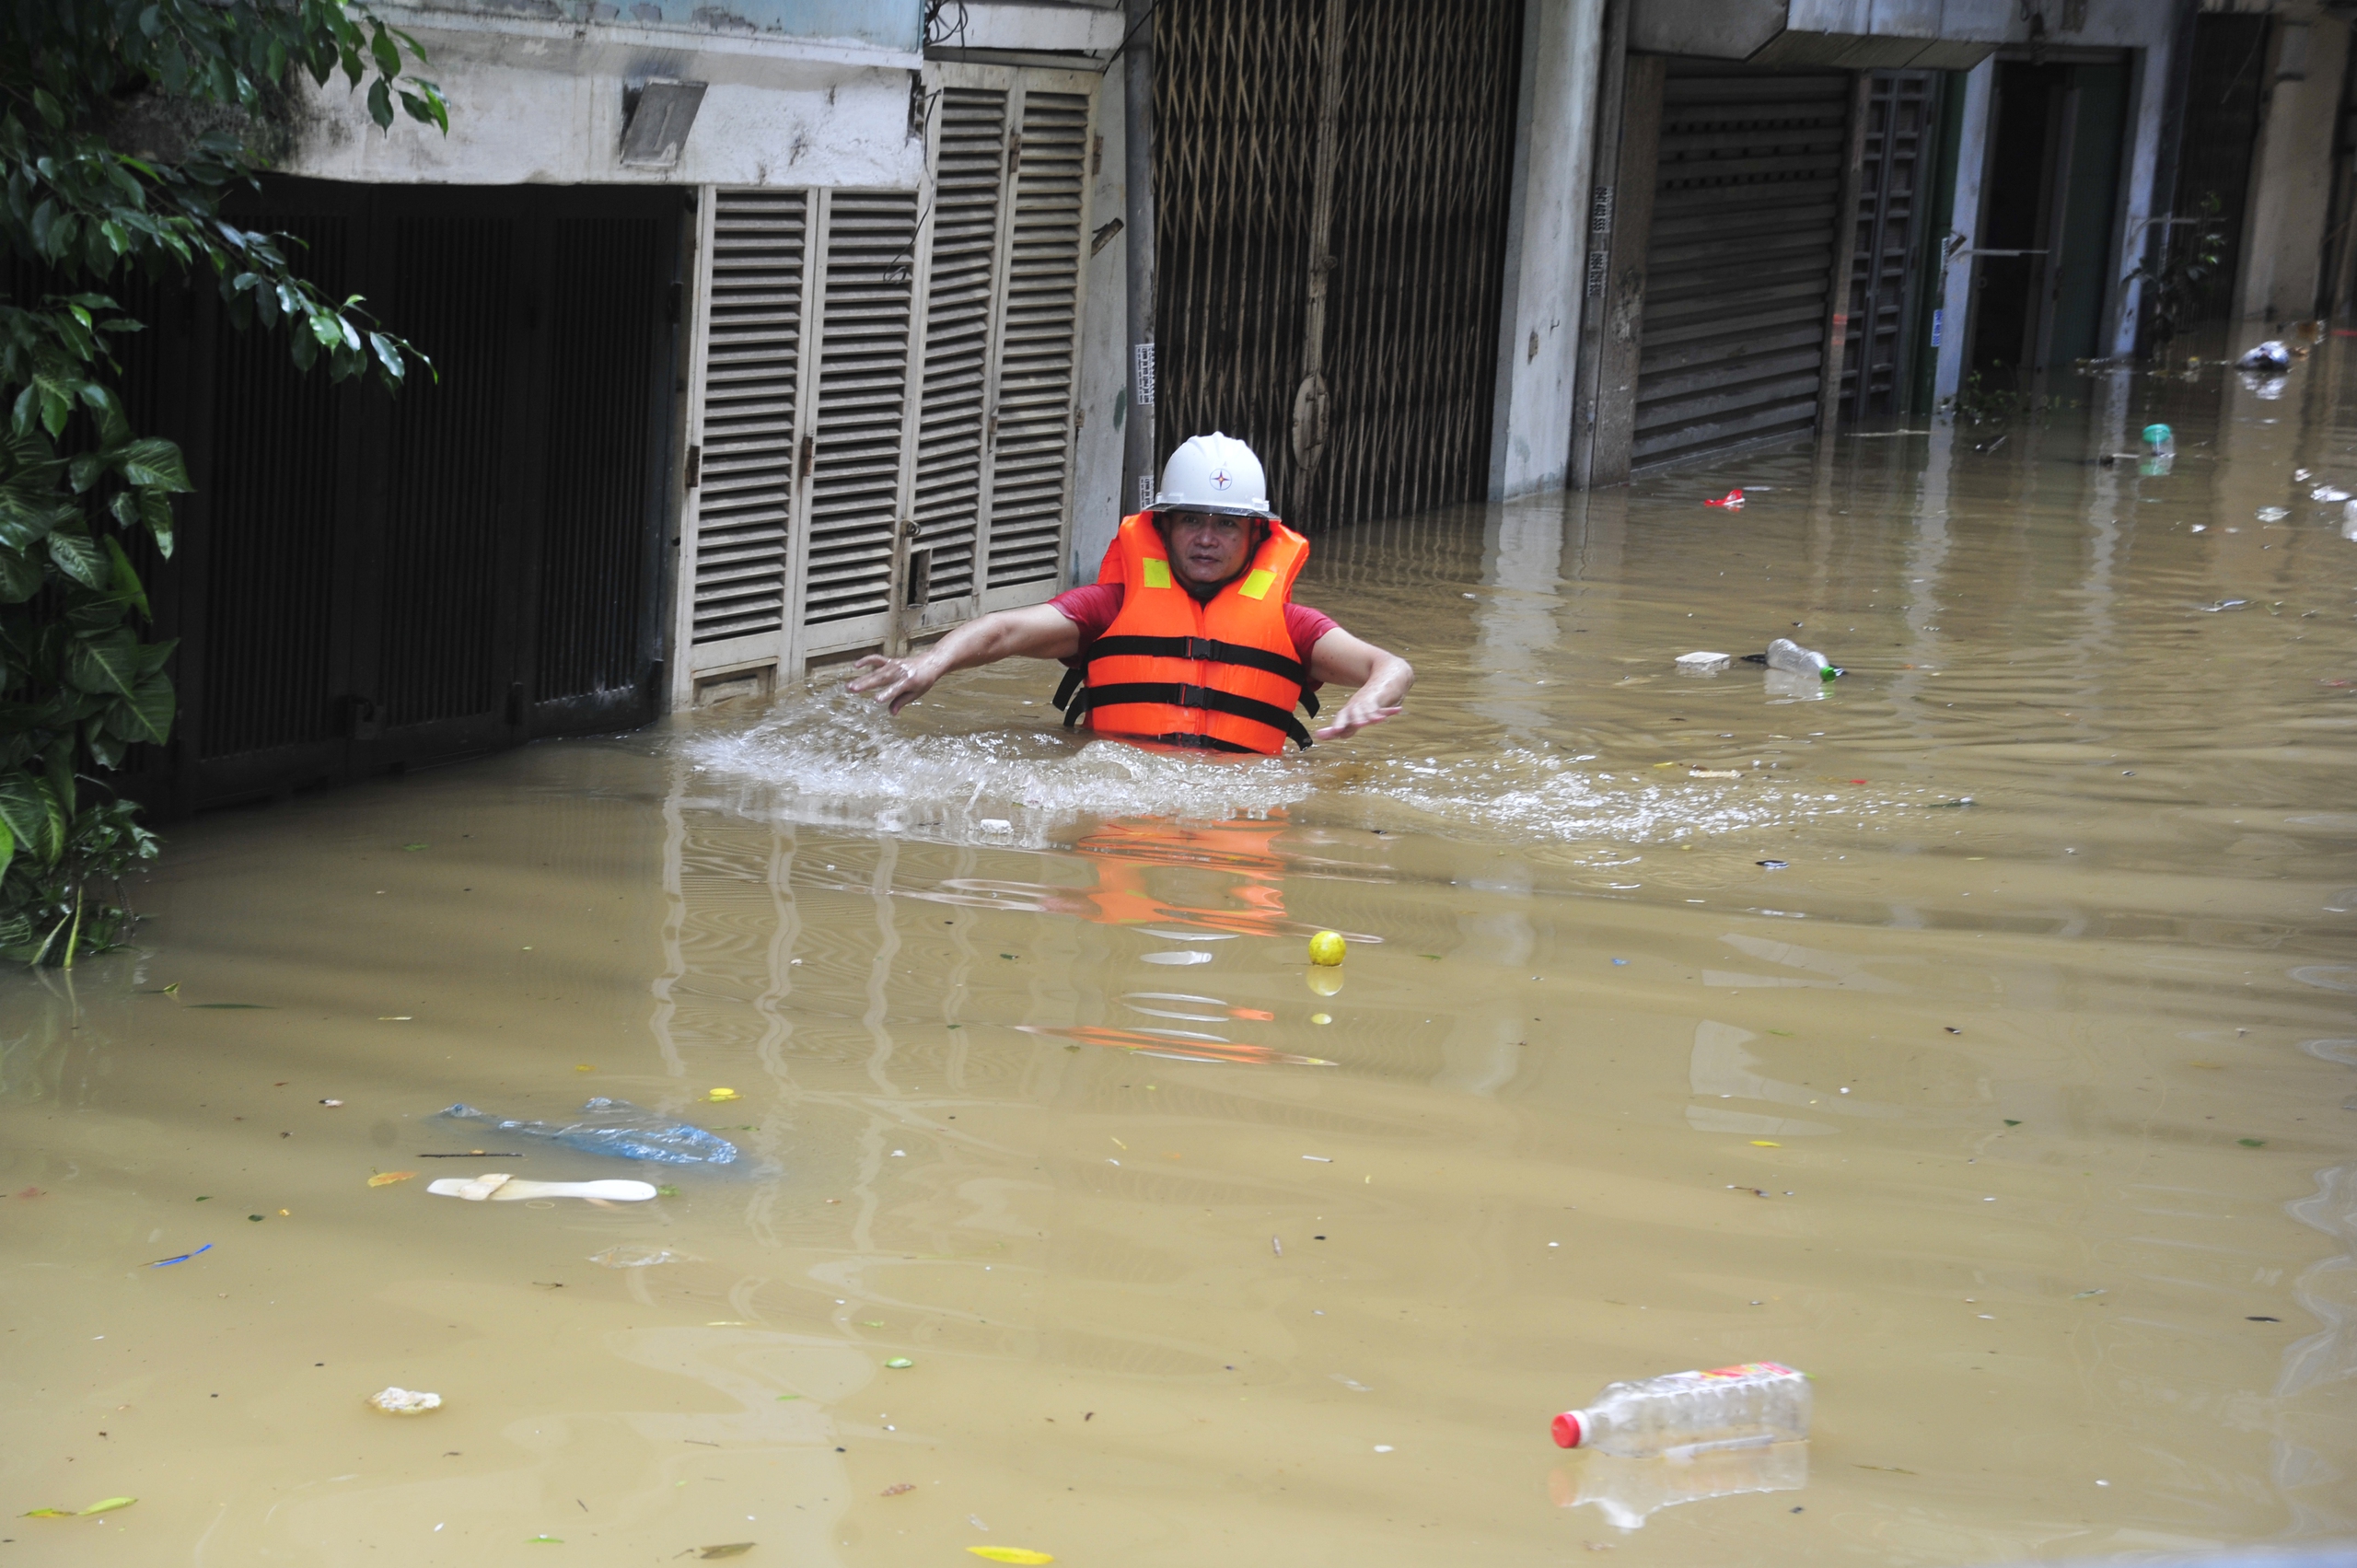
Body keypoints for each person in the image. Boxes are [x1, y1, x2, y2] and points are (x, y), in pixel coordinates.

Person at [846, 433, 1412, 751]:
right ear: (1163, 528)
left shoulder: (1293, 626)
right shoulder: (1110, 607)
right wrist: (931, 661)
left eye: (1227, 525)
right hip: (1115, 795)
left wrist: (1372, 694)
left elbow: (1392, 665)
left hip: (1242, 805)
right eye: (1192, 521)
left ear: (1256, 534)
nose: (1207, 539)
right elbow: (1004, 630)